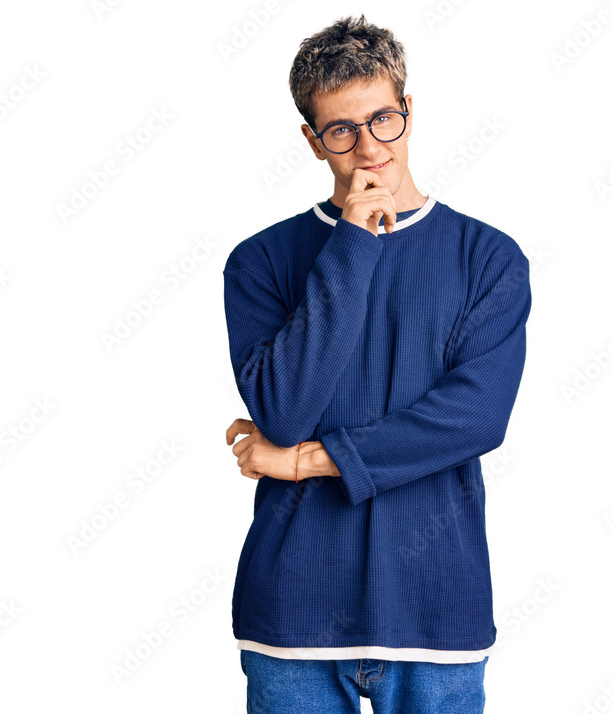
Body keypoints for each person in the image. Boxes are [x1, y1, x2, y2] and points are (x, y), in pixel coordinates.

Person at [222, 14, 532, 713]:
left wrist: (304, 462)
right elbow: (284, 411)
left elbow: (475, 419)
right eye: (341, 129)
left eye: (382, 120)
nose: (368, 147)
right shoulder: (259, 262)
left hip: (434, 613)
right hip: (294, 618)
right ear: (313, 140)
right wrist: (354, 244)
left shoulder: (488, 259)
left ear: (408, 111)